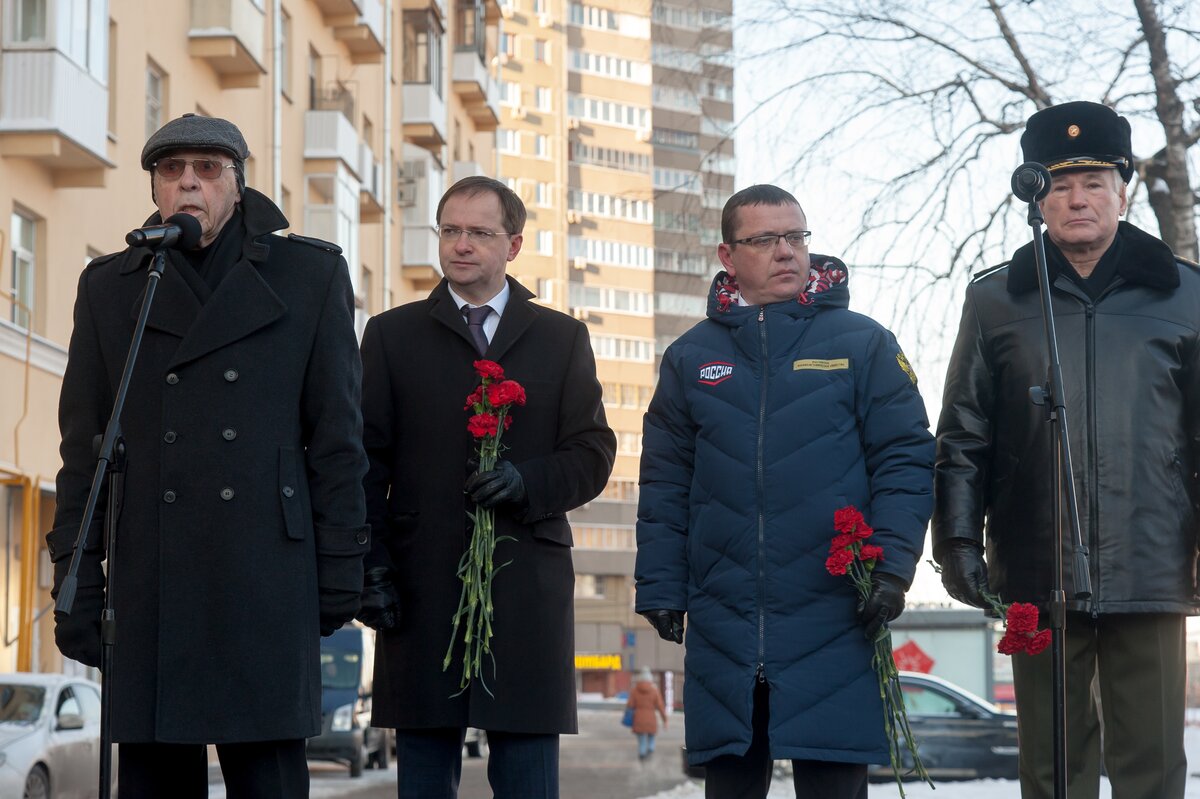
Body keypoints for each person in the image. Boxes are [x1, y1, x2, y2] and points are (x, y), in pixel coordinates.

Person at [47, 114, 370, 798]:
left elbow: (337, 442)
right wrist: (76, 579)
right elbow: (83, 450)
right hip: (151, 580)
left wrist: (341, 567)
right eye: (172, 170)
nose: (188, 182)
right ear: (155, 187)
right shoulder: (112, 285)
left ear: (237, 183)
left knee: (268, 781)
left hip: (266, 578)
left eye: (207, 168)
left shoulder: (310, 275)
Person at [933, 101, 1200, 799]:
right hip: (1035, 565)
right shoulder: (994, 300)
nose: (1076, 199)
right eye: (1058, 184)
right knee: (1052, 769)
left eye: (1093, 182)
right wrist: (957, 539)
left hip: (1151, 561)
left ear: (1123, 190)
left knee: (1152, 767)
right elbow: (963, 431)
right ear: (1036, 196)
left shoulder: (1187, 297)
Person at [635, 184, 935, 799]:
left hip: (836, 612)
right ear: (728, 255)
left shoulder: (863, 342)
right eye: (765, 239)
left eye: (796, 236)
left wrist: (891, 568)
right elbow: (665, 481)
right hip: (724, 619)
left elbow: (906, 459)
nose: (786, 251)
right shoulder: (690, 357)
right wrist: (661, 585)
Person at [355, 176, 617, 798]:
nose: (461, 244)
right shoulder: (391, 336)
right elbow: (363, 463)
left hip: (525, 586)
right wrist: (370, 566)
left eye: (479, 232)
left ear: (514, 245)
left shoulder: (561, 338)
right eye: (450, 230)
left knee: (528, 778)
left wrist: (528, 481)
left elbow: (592, 453)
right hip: (421, 586)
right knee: (423, 777)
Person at [625, 667, 667, 760]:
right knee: (651, 735)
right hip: (651, 718)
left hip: (638, 718)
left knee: (642, 738)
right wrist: (665, 720)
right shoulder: (654, 690)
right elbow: (660, 706)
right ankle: (651, 748)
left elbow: (630, 705)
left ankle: (642, 753)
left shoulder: (635, 690)